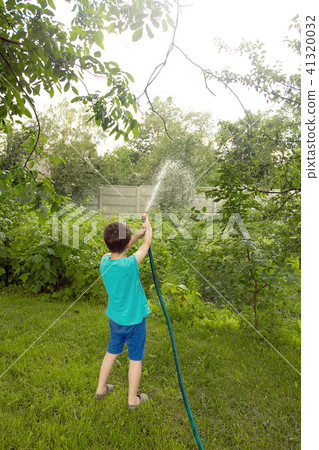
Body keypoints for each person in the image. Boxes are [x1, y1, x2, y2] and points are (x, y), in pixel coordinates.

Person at [95, 218, 152, 410]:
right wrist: (148, 228)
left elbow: (126, 247)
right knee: (135, 359)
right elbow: (146, 245)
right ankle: (132, 400)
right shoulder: (130, 264)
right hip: (135, 321)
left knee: (111, 353)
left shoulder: (104, 261)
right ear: (128, 243)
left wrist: (138, 233)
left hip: (116, 320)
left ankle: (100, 389)